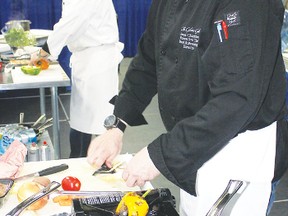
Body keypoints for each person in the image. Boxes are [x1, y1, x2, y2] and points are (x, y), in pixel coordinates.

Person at [87, 0, 288, 215]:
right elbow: (148, 61)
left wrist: (161, 155)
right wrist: (118, 124)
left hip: (239, 153)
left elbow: (237, 98)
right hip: (192, 143)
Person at [31, 0, 124, 158]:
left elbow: (68, 24)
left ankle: (90, 164)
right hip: (90, 59)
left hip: (97, 64)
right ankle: (85, 161)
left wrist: (43, 52)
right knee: (85, 121)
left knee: (97, 123)